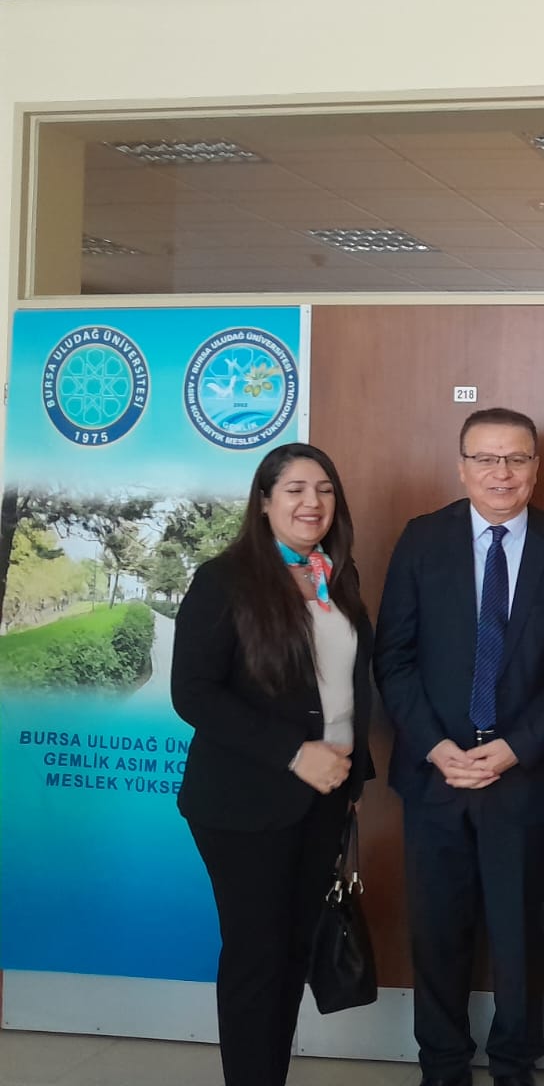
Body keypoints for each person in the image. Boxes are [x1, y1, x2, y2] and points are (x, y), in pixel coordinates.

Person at [376, 407, 544, 1086]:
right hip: (435, 777)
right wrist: (435, 746)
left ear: (536, 468)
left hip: (522, 779)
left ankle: (513, 1066)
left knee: (519, 937)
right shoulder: (423, 539)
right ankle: (442, 1066)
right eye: (486, 459)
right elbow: (394, 658)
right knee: (436, 932)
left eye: (516, 459)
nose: (502, 473)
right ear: (462, 467)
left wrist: (517, 747)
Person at [172, 443, 373, 1086]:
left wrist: (353, 776)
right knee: (257, 957)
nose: (312, 502)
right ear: (263, 502)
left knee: (292, 951)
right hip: (243, 800)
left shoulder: (335, 576)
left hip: (325, 796)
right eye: (295, 489)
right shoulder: (225, 579)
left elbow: (347, 686)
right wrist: (294, 753)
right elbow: (194, 693)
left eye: (325, 489)